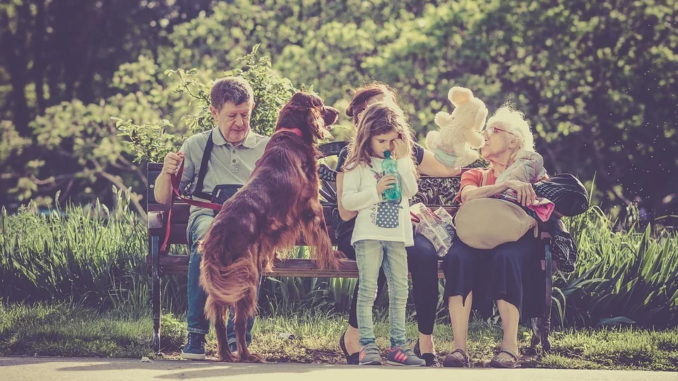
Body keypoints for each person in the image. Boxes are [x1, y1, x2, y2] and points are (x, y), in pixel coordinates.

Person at [336, 83, 461, 366]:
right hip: (362, 228)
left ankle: (419, 341)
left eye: (391, 109)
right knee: (375, 268)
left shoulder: (402, 149)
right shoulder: (353, 156)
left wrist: (482, 168)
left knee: (423, 256)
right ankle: (358, 338)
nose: (386, 115)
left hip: (396, 228)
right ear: (363, 120)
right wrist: (377, 191)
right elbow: (346, 211)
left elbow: (445, 170)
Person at [154, 77, 269, 360]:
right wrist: (167, 172)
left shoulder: (265, 147)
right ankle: (195, 336)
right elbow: (163, 198)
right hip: (208, 215)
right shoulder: (196, 145)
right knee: (207, 241)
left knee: (251, 247)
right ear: (214, 113)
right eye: (232, 116)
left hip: (247, 222)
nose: (240, 123)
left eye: (246, 114)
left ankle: (237, 338)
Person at [441, 105, 545, 368]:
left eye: (493, 131)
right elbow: (467, 196)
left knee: (506, 256)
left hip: (515, 240)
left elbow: (549, 207)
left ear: (514, 140)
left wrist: (531, 190)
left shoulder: (533, 173)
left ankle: (509, 349)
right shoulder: (476, 173)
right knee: (457, 257)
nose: (485, 136)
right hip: (475, 237)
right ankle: (459, 349)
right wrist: (505, 185)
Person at [341, 102, 424, 366]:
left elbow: (410, 190)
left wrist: (401, 161)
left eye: (392, 139)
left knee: (400, 290)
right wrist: (375, 191)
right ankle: (367, 346)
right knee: (369, 289)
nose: (387, 145)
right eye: (381, 140)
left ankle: (398, 346)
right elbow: (349, 202)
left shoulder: (401, 162)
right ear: (367, 137)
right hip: (368, 236)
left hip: (398, 236)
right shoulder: (357, 164)